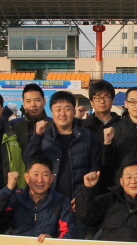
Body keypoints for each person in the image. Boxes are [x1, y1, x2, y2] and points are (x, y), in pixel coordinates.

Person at [24, 91, 99, 234]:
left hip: (76, 206)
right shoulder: (43, 136)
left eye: (67, 109)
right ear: (51, 112)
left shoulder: (87, 136)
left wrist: (83, 198)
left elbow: (95, 169)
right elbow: (29, 161)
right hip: (48, 205)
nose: (62, 113)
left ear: (73, 110)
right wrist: (37, 137)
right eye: (58, 109)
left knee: (74, 244)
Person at [80, 80, 122, 187]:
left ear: (112, 100)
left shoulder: (122, 125)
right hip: (90, 181)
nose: (102, 101)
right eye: (97, 98)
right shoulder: (84, 126)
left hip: (116, 182)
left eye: (106, 97)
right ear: (91, 101)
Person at [9, 83, 49, 153]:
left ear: (44, 102)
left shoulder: (54, 124)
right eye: (28, 101)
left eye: (37, 100)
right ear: (23, 104)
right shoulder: (13, 125)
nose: (33, 105)